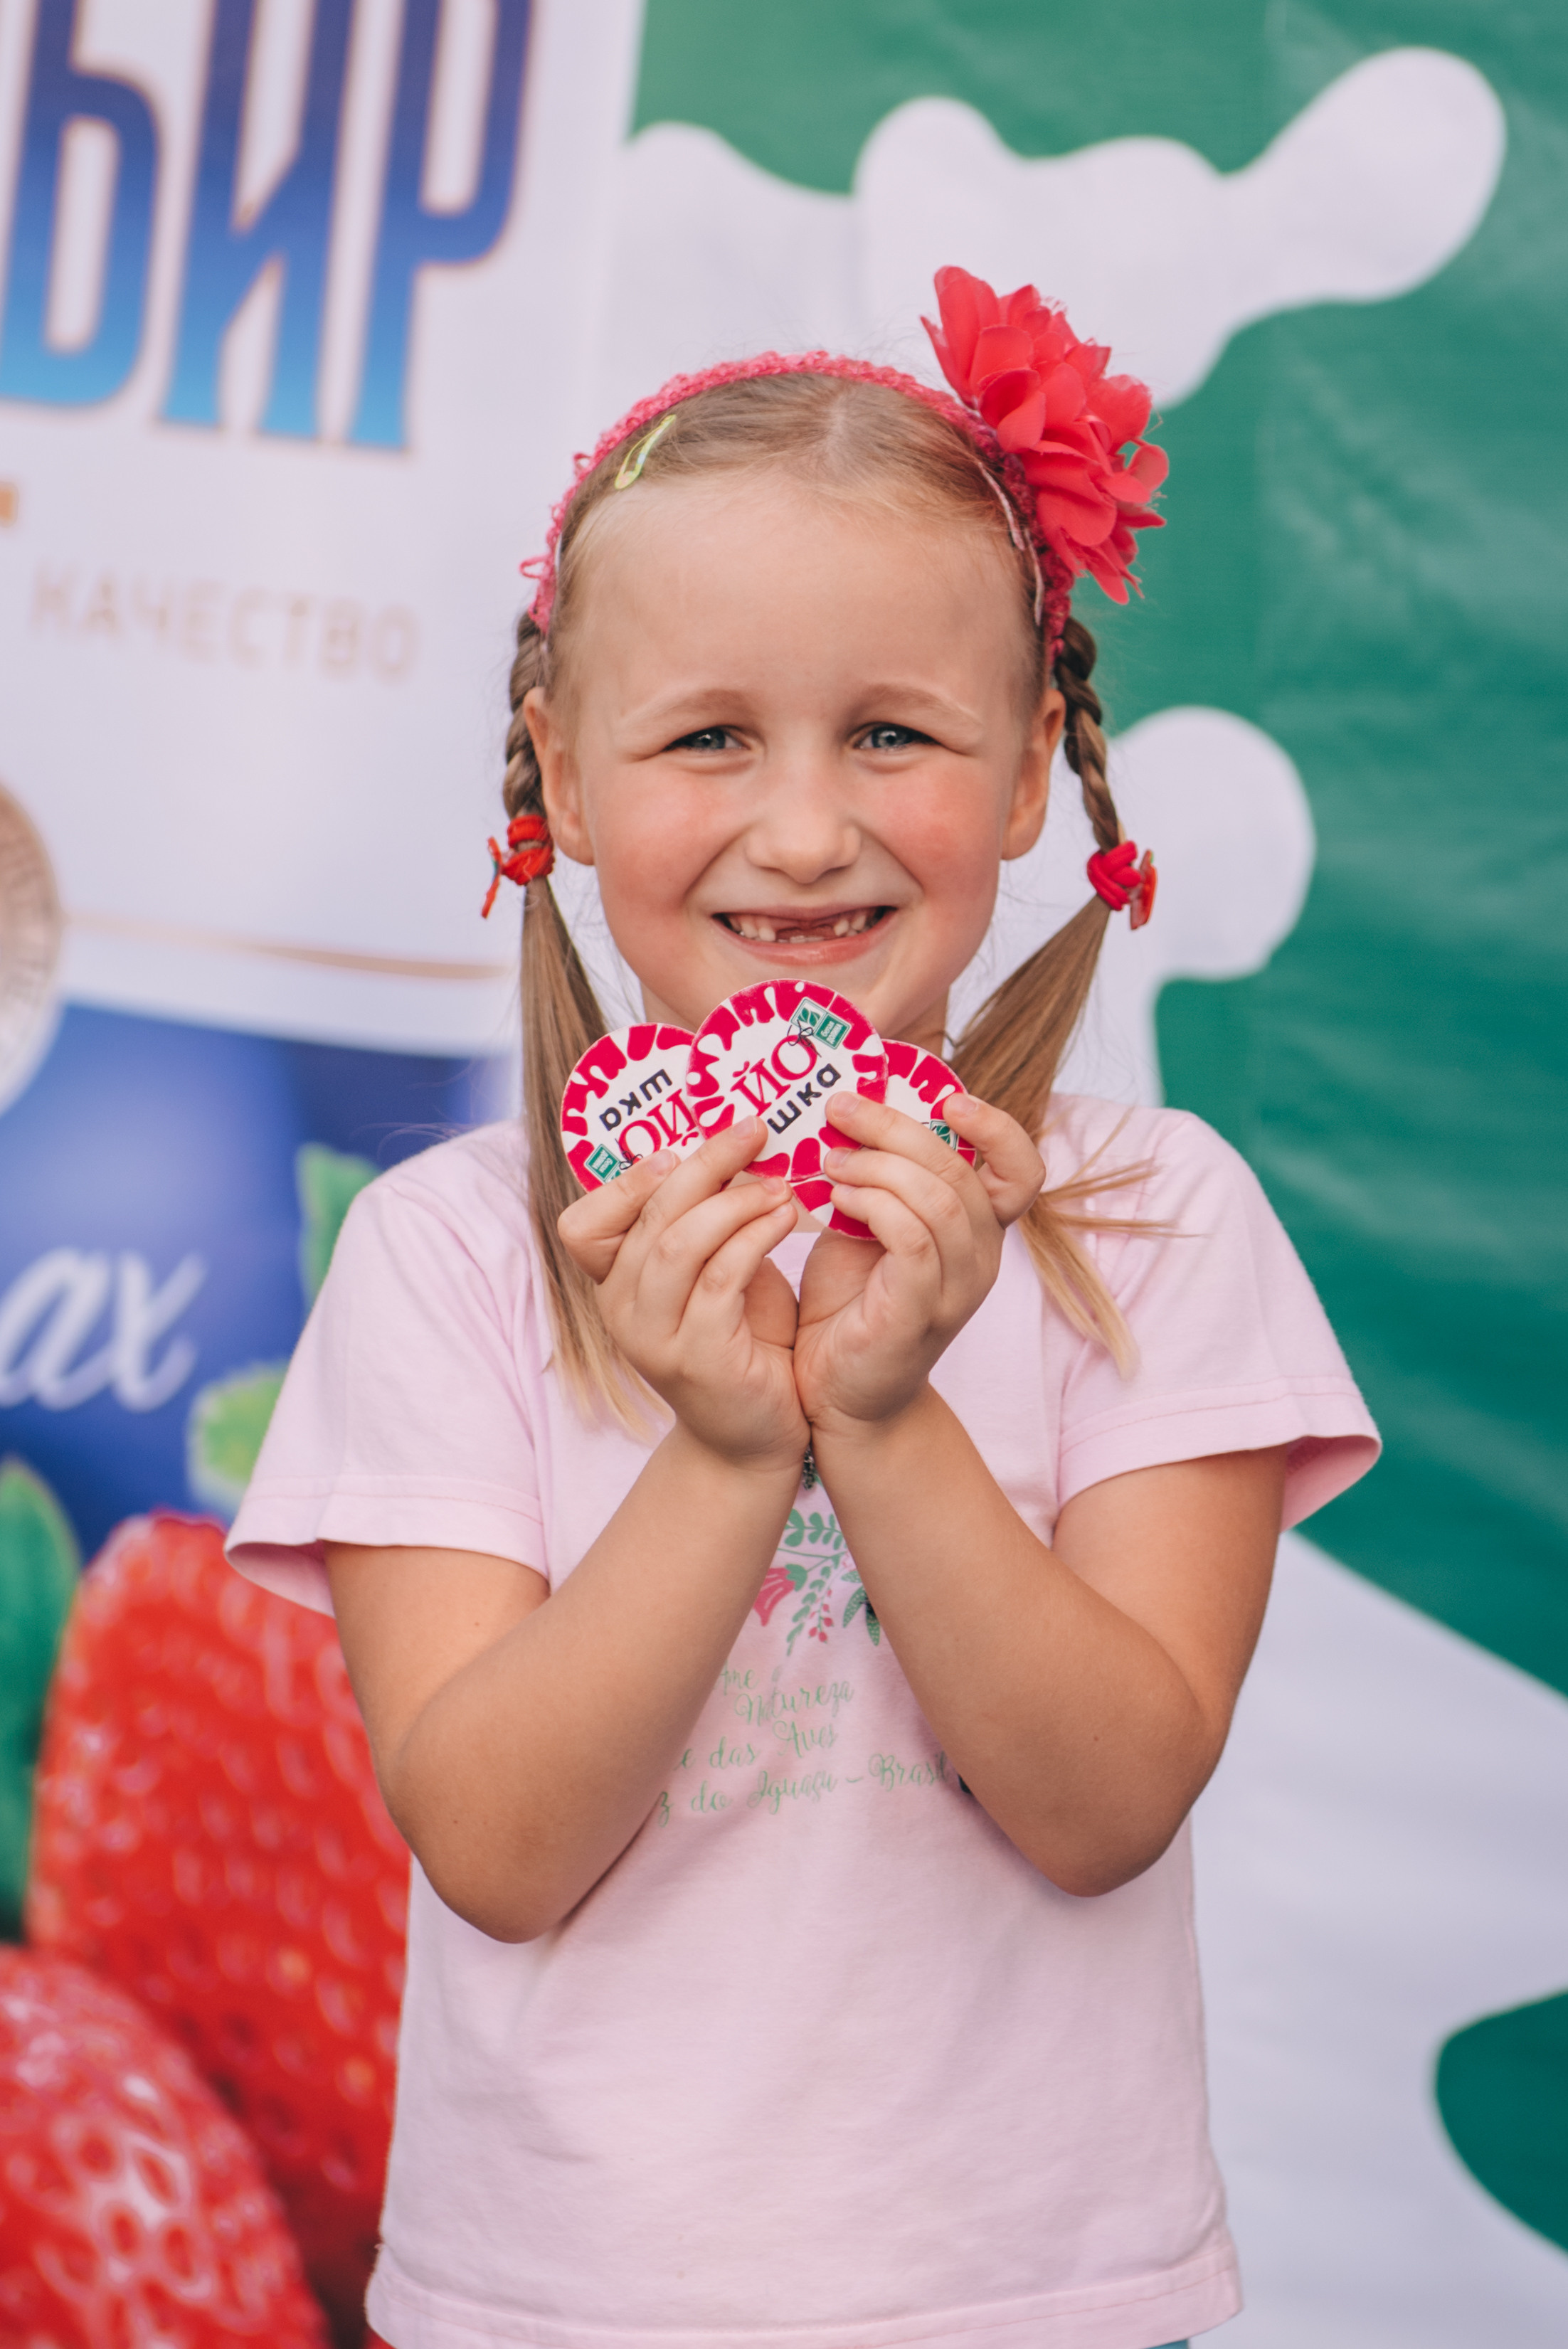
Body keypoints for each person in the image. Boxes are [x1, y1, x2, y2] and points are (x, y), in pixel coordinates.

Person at [229, 266, 1379, 2349]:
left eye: (891, 733)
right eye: (707, 737)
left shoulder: (1150, 1220)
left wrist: (889, 1416)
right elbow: (492, 1844)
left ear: (1025, 773)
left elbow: (1107, 1808)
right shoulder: (444, 1253)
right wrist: (730, 1448)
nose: (803, 826)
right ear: (563, 783)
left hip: (1039, 2306)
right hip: (562, 2308)